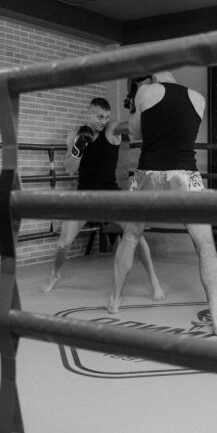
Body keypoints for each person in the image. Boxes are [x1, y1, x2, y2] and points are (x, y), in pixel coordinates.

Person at [108, 72, 217, 336]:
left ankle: (114, 300)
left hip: (149, 173)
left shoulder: (145, 92)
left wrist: (135, 109)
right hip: (184, 175)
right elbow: (182, 132)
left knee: (131, 235)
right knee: (205, 244)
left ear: (152, 78)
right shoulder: (199, 99)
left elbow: (135, 132)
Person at [40, 97, 165, 301]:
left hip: (110, 195)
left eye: (106, 117)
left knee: (136, 234)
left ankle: (154, 281)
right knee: (64, 243)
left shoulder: (111, 129)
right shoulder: (75, 135)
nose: (103, 121)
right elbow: (69, 168)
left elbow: (132, 127)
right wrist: (78, 148)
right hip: (84, 196)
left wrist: (146, 106)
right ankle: (54, 274)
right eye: (99, 117)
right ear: (88, 113)